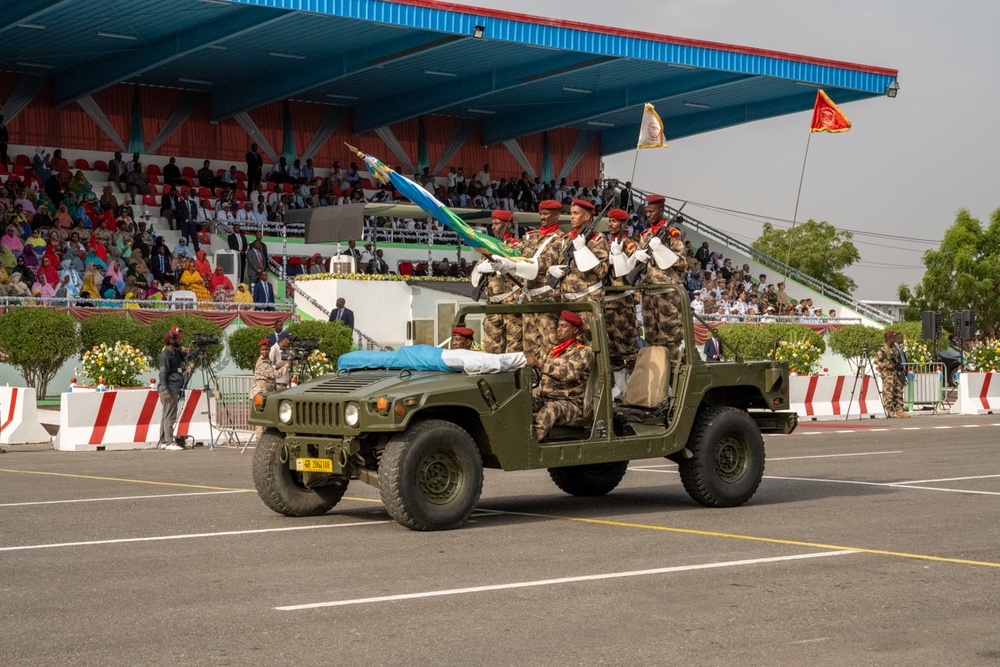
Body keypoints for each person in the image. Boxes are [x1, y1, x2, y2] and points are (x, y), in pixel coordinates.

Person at [525, 310, 593, 441]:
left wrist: (540, 365)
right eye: (558, 326)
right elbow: (540, 374)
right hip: (545, 398)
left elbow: (568, 374)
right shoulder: (552, 351)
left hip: (569, 403)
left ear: (574, 330)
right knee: (520, 403)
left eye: (564, 326)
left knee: (550, 409)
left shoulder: (580, 352)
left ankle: (530, 443)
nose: (559, 329)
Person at [632, 194, 686, 357]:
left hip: (667, 293)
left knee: (669, 339)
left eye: (652, 211)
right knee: (651, 338)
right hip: (648, 293)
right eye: (646, 211)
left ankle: (671, 381)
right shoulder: (645, 235)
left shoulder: (672, 234)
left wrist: (662, 249)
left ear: (661, 210)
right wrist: (637, 255)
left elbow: (681, 261)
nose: (648, 214)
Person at [549, 199, 609, 343]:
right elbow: (555, 262)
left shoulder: (597, 239)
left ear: (587, 217)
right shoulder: (565, 239)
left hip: (588, 299)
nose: (572, 217)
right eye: (571, 213)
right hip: (568, 301)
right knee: (569, 344)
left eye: (576, 213)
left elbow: (602, 271)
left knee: (593, 341)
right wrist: (552, 270)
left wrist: (583, 249)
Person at [604, 207, 641, 387]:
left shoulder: (629, 245)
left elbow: (629, 272)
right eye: (610, 221)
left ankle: (637, 386)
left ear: (623, 223)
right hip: (606, 302)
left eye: (615, 221)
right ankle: (620, 386)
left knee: (628, 347)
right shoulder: (604, 243)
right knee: (611, 350)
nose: (611, 224)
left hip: (621, 303)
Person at [158, 326, 188, 450]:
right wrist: (166, 391)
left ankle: (164, 441)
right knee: (170, 416)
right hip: (169, 389)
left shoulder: (175, 352)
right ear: (172, 341)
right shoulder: (165, 355)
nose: (179, 341)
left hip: (173, 388)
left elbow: (186, 356)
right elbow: (163, 374)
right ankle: (169, 442)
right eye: (177, 339)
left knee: (166, 416)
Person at [250, 338, 278, 441]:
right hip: (260, 392)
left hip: (266, 391)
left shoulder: (267, 360)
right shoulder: (263, 361)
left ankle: (263, 441)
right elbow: (273, 374)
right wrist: (286, 366)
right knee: (260, 421)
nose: (264, 351)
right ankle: (259, 442)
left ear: (269, 349)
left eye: (266, 349)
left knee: (265, 419)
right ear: (260, 350)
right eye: (262, 350)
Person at [876, 330, 906, 419]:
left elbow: (897, 360)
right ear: (889, 338)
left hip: (896, 374)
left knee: (899, 392)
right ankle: (887, 410)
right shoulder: (882, 349)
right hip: (888, 375)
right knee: (888, 393)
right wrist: (887, 365)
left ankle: (900, 410)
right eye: (893, 337)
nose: (894, 339)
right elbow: (877, 361)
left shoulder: (894, 349)